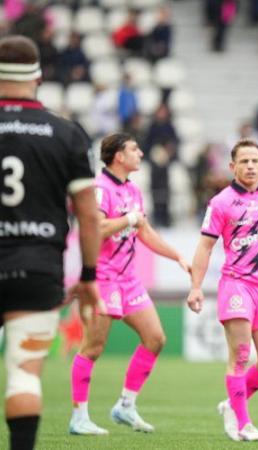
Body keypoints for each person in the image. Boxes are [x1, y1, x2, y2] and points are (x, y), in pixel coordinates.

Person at [0, 35, 101, 450]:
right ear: (39, 78)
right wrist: (90, 274)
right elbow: (89, 214)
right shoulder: (66, 133)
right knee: (24, 374)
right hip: (37, 270)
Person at [69, 133, 190, 435]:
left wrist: (177, 257)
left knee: (155, 338)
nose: (140, 154)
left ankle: (125, 405)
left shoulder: (134, 190)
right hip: (103, 277)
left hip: (129, 280)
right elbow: (96, 228)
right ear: (119, 156)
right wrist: (129, 219)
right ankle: (78, 416)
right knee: (93, 347)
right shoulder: (100, 188)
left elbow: (145, 232)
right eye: (134, 149)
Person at [186, 139, 258, 441]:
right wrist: (196, 287)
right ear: (232, 166)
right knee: (240, 354)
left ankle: (232, 405)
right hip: (236, 285)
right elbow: (205, 247)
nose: (250, 166)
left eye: (254, 160)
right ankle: (243, 422)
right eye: (244, 161)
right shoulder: (221, 203)